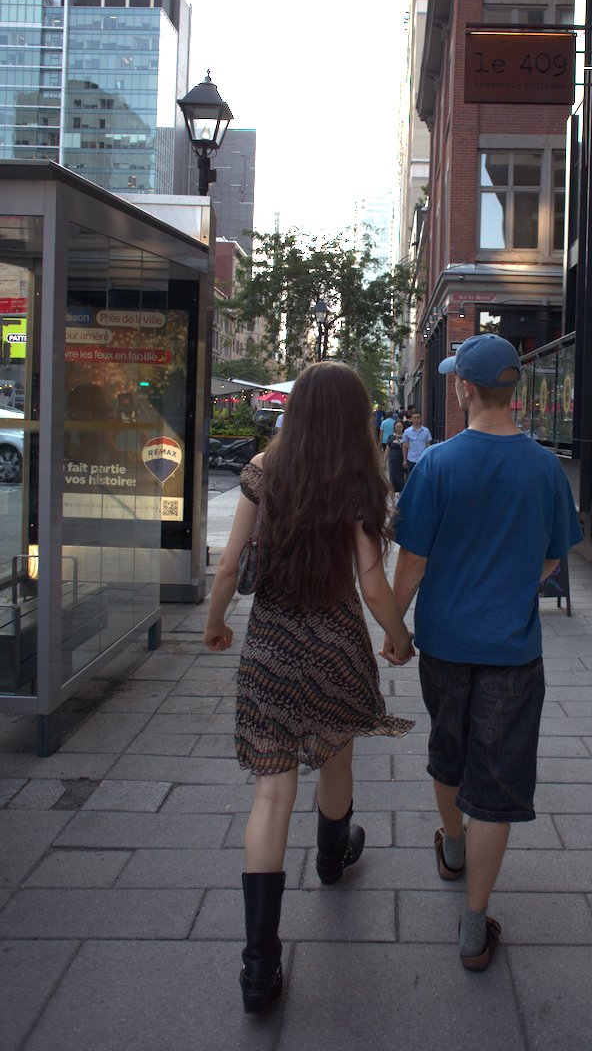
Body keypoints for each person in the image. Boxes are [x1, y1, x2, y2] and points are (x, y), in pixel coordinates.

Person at [203, 361, 414, 1013]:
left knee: (271, 794)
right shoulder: (357, 480)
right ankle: (330, 857)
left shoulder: (264, 469)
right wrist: (399, 637)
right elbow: (372, 584)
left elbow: (230, 565)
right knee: (337, 753)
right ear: (353, 417)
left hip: (270, 644)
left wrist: (215, 623)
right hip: (336, 643)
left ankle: (259, 966)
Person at [382, 334, 582, 972]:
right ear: (514, 391)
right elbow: (552, 557)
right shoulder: (546, 468)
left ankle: (452, 844)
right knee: (496, 781)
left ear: (465, 388)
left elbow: (412, 562)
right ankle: (474, 925)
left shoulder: (437, 465)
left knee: (450, 751)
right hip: (513, 649)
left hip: (444, 642)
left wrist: (394, 629)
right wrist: (514, 585)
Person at [401, 410, 432, 476]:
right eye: (414, 418)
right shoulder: (407, 431)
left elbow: (428, 445)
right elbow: (405, 447)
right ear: (411, 419)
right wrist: (404, 460)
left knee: (422, 478)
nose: (416, 419)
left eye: (418, 417)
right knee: (411, 478)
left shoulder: (426, 431)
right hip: (411, 459)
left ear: (420, 419)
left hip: (422, 459)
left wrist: (428, 459)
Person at [383, 417, 406, 501]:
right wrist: (384, 461)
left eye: (400, 427)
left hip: (402, 459)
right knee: (393, 478)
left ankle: (401, 493)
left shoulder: (406, 437)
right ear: (394, 427)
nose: (398, 428)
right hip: (393, 460)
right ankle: (393, 498)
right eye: (397, 427)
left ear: (403, 427)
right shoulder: (391, 437)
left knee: (402, 477)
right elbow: (387, 449)